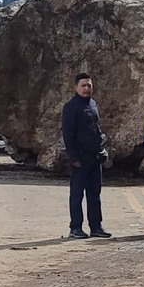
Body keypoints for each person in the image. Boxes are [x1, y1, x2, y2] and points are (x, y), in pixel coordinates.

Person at [61, 72, 110, 239]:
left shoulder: (93, 104)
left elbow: (96, 129)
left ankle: (96, 226)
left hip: (95, 157)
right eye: (83, 85)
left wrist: (102, 147)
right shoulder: (71, 107)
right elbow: (68, 135)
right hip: (80, 159)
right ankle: (75, 227)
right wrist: (74, 158)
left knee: (94, 194)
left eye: (89, 85)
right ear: (76, 87)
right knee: (77, 194)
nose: (86, 88)